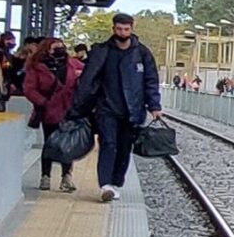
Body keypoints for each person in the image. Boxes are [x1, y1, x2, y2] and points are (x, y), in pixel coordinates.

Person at [69, 13, 163, 202]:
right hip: (106, 109)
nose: (122, 33)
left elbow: (151, 80)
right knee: (108, 144)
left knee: (124, 147)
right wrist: (78, 107)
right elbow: (88, 80)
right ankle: (105, 185)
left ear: (132, 29)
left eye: (126, 29)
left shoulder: (143, 54)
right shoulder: (102, 51)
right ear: (113, 29)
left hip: (133, 110)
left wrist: (154, 105)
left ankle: (116, 182)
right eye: (119, 29)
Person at [24, 38, 81, 193]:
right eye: (56, 48)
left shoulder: (72, 64)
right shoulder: (37, 67)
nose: (60, 50)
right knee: (50, 143)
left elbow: (88, 77)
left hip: (69, 110)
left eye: (62, 47)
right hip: (49, 111)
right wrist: (42, 102)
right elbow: (29, 89)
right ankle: (45, 176)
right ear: (46, 49)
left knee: (68, 145)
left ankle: (66, 177)